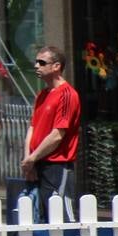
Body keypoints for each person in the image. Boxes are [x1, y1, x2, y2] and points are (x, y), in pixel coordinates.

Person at [23, 46, 81, 222]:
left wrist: (32, 158)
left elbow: (57, 134)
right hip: (37, 164)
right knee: (38, 219)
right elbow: (32, 128)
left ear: (56, 66)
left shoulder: (67, 94)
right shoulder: (42, 95)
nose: (36, 66)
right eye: (36, 62)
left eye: (42, 62)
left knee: (61, 218)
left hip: (57, 166)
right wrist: (29, 159)